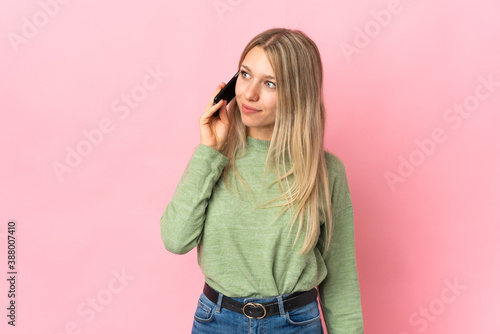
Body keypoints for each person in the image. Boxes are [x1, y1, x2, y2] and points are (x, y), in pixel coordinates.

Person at [160, 28, 363, 333]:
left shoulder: (326, 172)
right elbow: (175, 240)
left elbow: (341, 280)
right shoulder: (213, 159)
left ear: (297, 94)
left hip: (295, 324)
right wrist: (208, 152)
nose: (248, 94)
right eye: (244, 75)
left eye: (269, 83)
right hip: (216, 321)